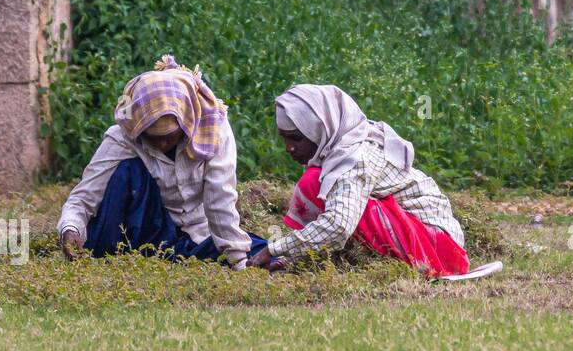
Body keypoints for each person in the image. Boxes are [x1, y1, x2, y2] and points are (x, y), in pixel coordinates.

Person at [57, 55, 265, 269]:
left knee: (260, 253)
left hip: (199, 232)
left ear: (186, 122)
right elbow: (86, 194)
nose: (164, 143)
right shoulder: (123, 136)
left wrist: (237, 260)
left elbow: (220, 197)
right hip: (147, 228)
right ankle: (117, 256)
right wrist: (70, 228)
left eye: (171, 135)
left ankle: (190, 257)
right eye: (154, 137)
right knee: (128, 171)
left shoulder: (213, 129)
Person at [248, 83, 468, 277]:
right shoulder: (335, 155)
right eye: (284, 137)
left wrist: (275, 249)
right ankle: (337, 261)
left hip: (440, 249)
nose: (289, 147)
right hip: (424, 239)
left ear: (321, 131)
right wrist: (289, 261)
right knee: (315, 183)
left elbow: (338, 226)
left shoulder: (353, 159)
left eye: (296, 138)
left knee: (327, 193)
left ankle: (375, 265)